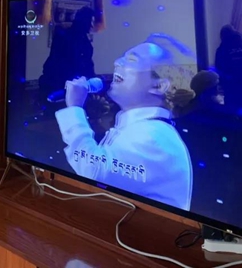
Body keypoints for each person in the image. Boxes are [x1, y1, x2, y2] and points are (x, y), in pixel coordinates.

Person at [55, 34, 195, 211]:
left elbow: (93, 170)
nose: (117, 62)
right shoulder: (143, 127)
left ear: (159, 86)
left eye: (132, 59)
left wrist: (74, 108)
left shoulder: (154, 136)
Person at [38, 6, 96, 103]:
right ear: (84, 21)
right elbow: (59, 60)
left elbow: (87, 63)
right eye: (90, 21)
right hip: (59, 84)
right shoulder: (65, 36)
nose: (92, 26)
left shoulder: (84, 39)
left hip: (75, 85)